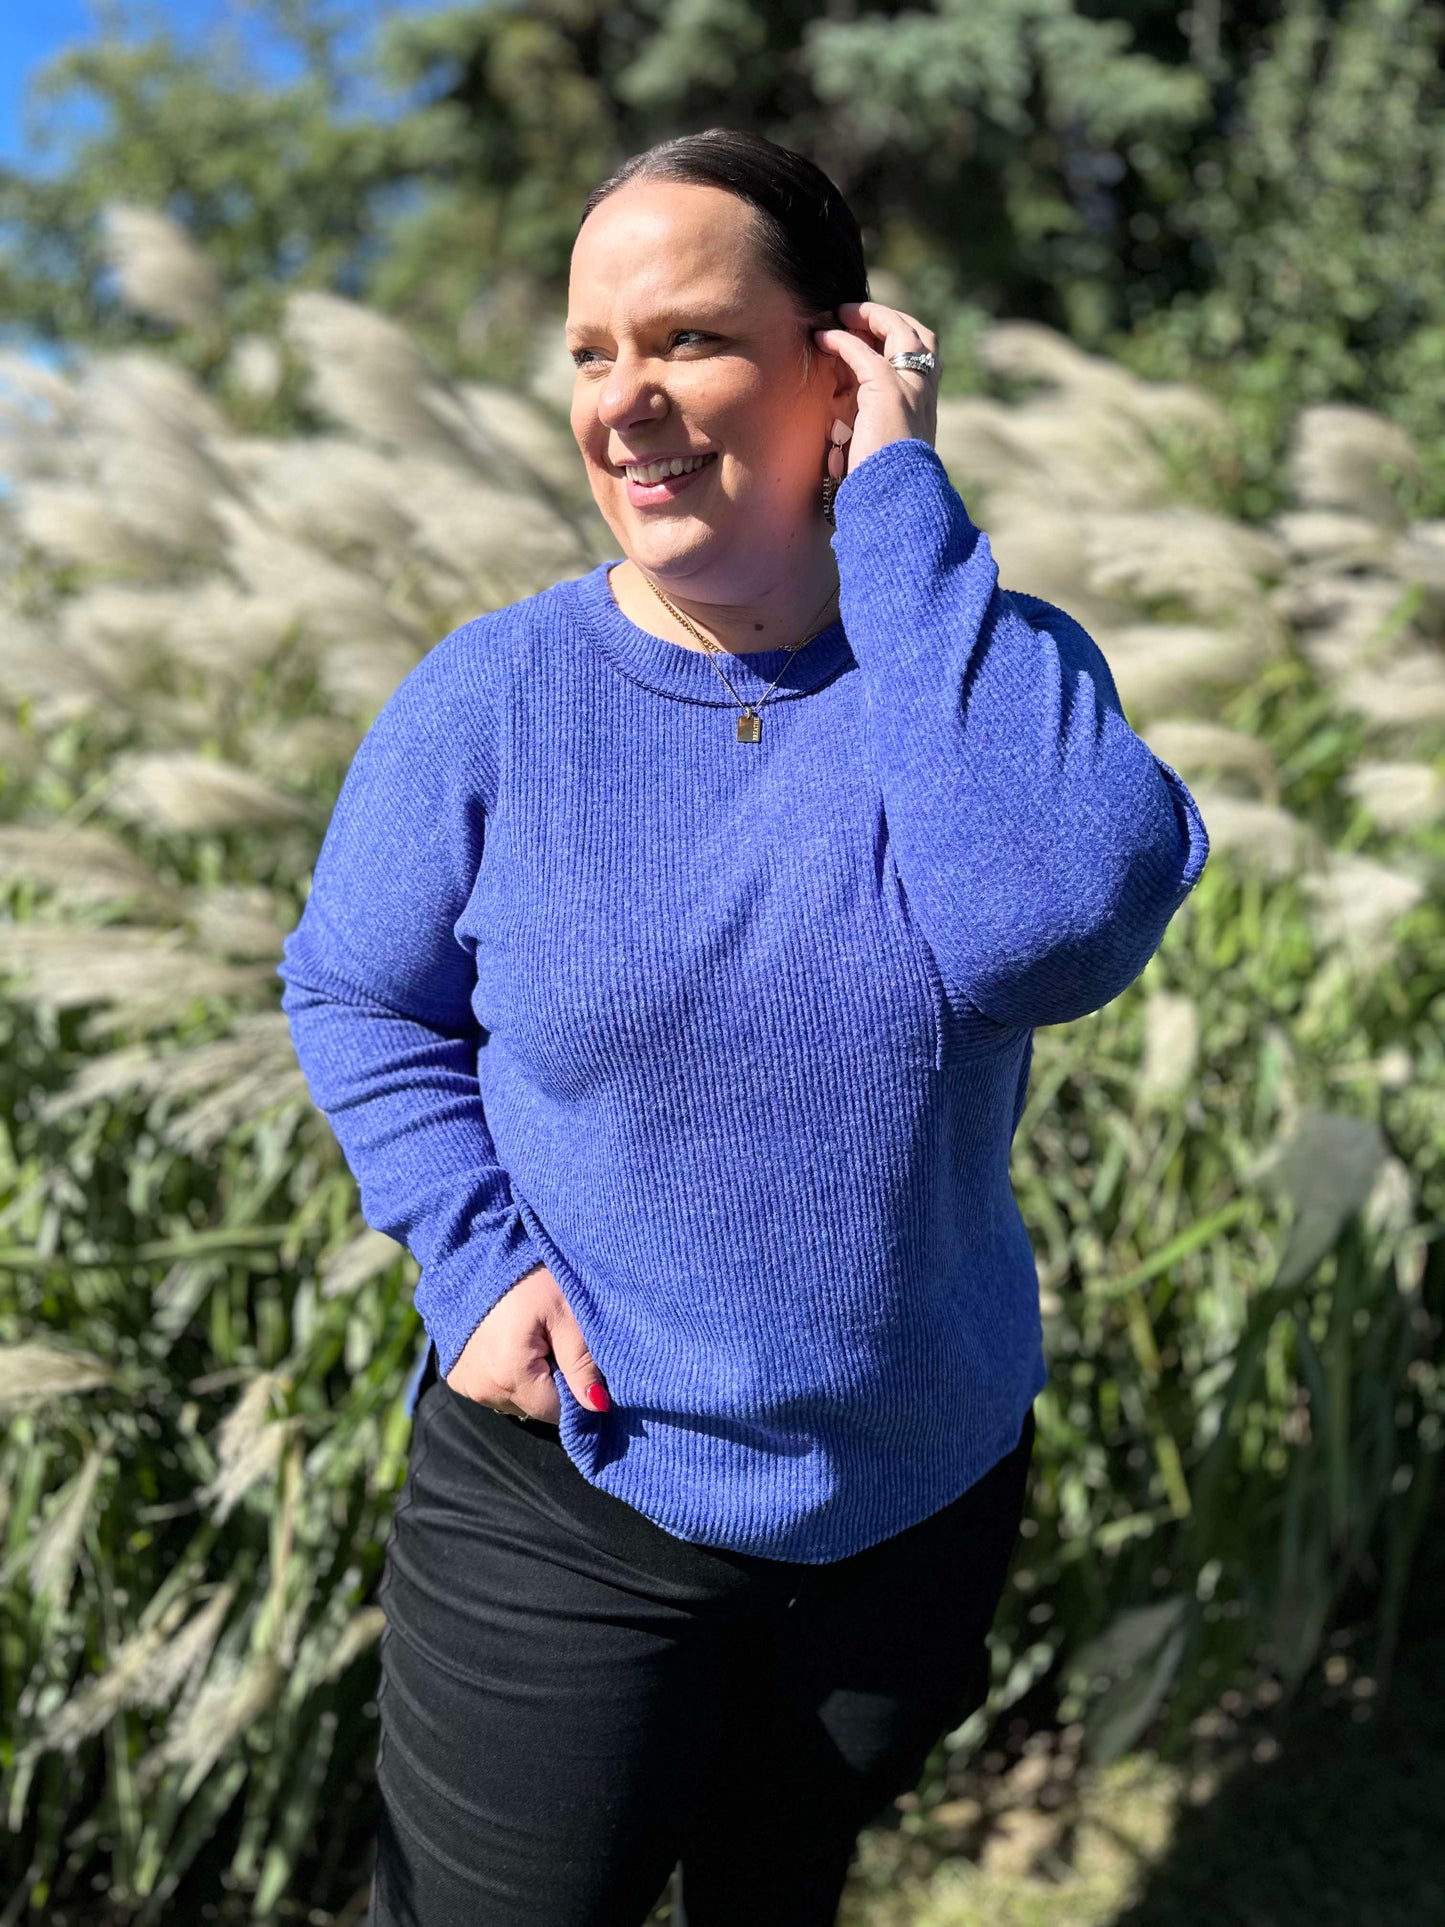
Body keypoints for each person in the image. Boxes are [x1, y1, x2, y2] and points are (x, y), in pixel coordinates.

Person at [277, 127, 1210, 1927]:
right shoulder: (492, 700)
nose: (623, 401)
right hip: (579, 1494)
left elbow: (1044, 931)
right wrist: (471, 1262)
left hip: (914, 1503)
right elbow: (354, 991)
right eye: (588, 353)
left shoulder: (982, 674)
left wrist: (905, 516)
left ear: (839, 359)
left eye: (689, 339)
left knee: (779, 1897)